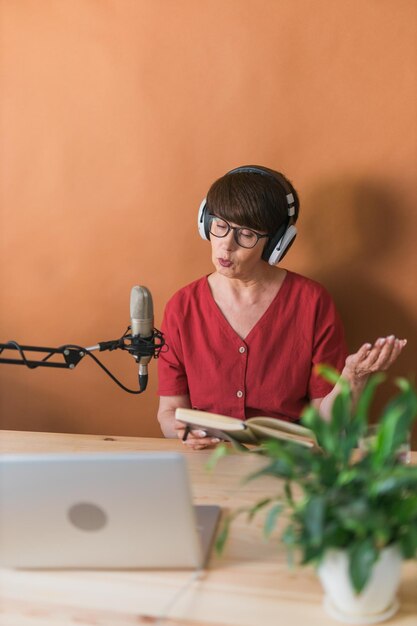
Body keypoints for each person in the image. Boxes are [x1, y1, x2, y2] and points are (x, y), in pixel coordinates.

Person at [157, 165, 406, 449]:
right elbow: (168, 413)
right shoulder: (181, 307)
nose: (226, 246)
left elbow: (330, 426)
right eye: (220, 226)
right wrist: (183, 431)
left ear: (276, 243)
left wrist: (353, 377)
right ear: (205, 222)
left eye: (246, 235)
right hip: (206, 464)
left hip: (287, 467)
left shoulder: (312, 303)